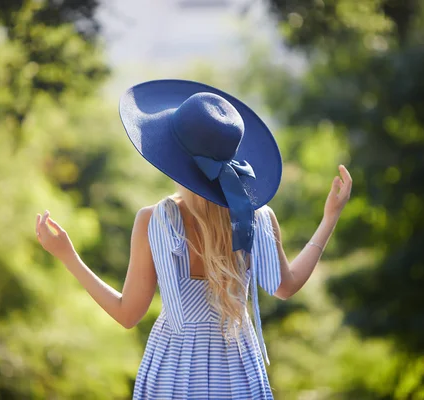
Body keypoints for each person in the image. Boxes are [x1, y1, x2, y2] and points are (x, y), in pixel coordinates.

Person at [35, 80, 352, 400]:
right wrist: (330, 218)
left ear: (175, 158)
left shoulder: (154, 221)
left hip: (173, 373)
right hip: (237, 371)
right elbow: (286, 286)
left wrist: (68, 256)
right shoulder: (256, 218)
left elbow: (127, 314)